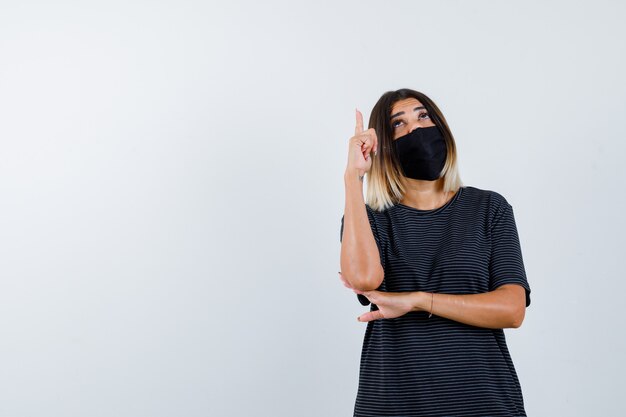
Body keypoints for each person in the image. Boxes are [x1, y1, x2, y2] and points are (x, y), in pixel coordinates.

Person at [339, 88, 531, 417]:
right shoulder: (369, 217)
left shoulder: (489, 208)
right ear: (382, 144)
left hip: (483, 401)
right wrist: (353, 178)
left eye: (423, 116)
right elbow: (363, 278)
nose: (415, 129)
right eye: (398, 124)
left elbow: (512, 310)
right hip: (393, 401)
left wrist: (417, 300)